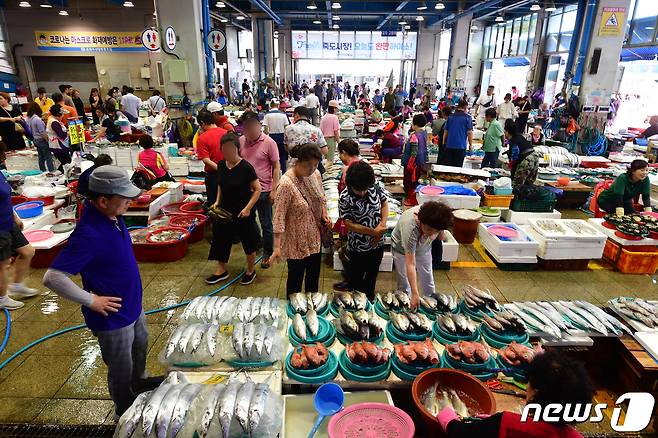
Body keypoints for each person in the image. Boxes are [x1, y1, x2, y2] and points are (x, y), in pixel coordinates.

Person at [43, 166, 161, 419]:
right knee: (120, 367)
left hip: (132, 307)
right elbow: (52, 277)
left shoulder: (112, 216)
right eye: (124, 197)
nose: (131, 200)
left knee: (139, 350)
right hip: (113, 317)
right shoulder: (89, 234)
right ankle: (124, 412)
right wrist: (90, 300)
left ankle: (139, 385)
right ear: (103, 200)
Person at [438, 350, 592, 437]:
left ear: (535, 394)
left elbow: (461, 434)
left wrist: (448, 419)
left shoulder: (507, 423)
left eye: (529, 384)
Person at [268, 144, 328, 294]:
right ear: (297, 161)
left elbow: (322, 197)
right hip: (296, 242)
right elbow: (279, 217)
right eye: (308, 165)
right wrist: (276, 247)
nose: (312, 169)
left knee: (313, 279)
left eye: (315, 165)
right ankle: (294, 312)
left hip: (314, 237)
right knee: (295, 280)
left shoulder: (316, 175)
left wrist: (324, 214)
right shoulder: (286, 184)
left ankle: (313, 308)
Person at [206, 133, 261, 286]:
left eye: (231, 148)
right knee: (221, 240)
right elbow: (220, 185)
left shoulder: (246, 167)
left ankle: (250, 270)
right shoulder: (222, 165)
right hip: (225, 211)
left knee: (248, 242)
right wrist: (217, 202)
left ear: (237, 148)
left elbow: (257, 189)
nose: (227, 152)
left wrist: (248, 209)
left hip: (243, 211)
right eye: (224, 149)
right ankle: (221, 269)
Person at [338, 161, 388, 301]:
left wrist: (381, 226)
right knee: (357, 279)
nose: (362, 192)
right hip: (357, 246)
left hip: (377, 245)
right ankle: (357, 303)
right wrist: (374, 233)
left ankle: (370, 299)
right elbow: (349, 224)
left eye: (365, 189)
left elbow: (384, 203)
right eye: (358, 190)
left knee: (372, 276)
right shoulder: (345, 197)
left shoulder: (374, 186)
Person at [391, 201, 453, 309]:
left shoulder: (437, 216)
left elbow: (439, 232)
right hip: (401, 250)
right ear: (421, 221)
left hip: (424, 248)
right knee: (404, 283)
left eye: (436, 230)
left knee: (428, 277)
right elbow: (410, 264)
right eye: (429, 229)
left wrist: (440, 232)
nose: (432, 233)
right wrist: (415, 294)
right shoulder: (410, 228)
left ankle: (430, 303)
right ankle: (407, 304)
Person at [239, 112, 280, 269]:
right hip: (245, 190)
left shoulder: (269, 142)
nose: (248, 130)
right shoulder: (241, 141)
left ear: (258, 125)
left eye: (251, 126)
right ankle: (257, 244)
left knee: (266, 223)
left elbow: (276, 167)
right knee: (249, 221)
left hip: (264, 191)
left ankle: (267, 252)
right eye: (245, 127)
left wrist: (274, 190)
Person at [0, 170, 38, 310]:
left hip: (8, 221)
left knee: (27, 251)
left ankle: (17, 285)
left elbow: (5, 198)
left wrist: (15, 217)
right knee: (3, 265)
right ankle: (2, 298)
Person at [195, 109, 227, 206]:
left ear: (202, 123)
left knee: (214, 205)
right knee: (229, 202)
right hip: (230, 172)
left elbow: (206, 160)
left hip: (214, 176)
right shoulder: (226, 133)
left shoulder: (202, 138)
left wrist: (220, 169)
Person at [402, 114, 429, 206]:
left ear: (415, 124)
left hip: (413, 165)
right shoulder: (424, 133)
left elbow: (413, 153)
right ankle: (414, 199)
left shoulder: (414, 136)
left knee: (409, 182)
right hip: (421, 163)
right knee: (416, 182)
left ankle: (411, 200)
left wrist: (410, 164)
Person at [505, 119, 538, 188]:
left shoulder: (513, 141)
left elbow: (515, 158)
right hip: (535, 157)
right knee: (529, 182)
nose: (504, 133)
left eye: (505, 131)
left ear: (508, 132)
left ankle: (517, 197)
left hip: (527, 159)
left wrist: (511, 167)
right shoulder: (520, 136)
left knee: (517, 185)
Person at [442, 99, 473, 167]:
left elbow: (446, 131)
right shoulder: (468, 118)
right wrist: (470, 145)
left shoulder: (450, 117)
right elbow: (469, 133)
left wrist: (444, 143)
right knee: (457, 168)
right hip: (460, 146)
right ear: (465, 107)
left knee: (449, 167)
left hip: (449, 145)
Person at [263, 99, 290, 171]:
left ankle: (274, 172)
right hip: (281, 136)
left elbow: (265, 128)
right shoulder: (283, 115)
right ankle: (283, 171)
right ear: (278, 105)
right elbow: (286, 127)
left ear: (271, 105)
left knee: (272, 155)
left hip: (271, 137)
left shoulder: (267, 115)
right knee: (282, 155)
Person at [26, 102, 54, 172]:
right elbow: (42, 132)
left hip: (35, 139)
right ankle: (51, 171)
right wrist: (48, 140)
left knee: (41, 157)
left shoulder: (28, 119)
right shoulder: (37, 119)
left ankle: (42, 170)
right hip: (41, 140)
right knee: (48, 157)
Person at [46, 104, 71, 172]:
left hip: (59, 146)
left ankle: (57, 174)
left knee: (66, 162)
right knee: (67, 163)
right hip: (58, 146)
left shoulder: (53, 119)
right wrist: (69, 133)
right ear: (58, 114)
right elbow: (61, 135)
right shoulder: (54, 122)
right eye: (62, 114)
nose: (63, 116)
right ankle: (57, 174)